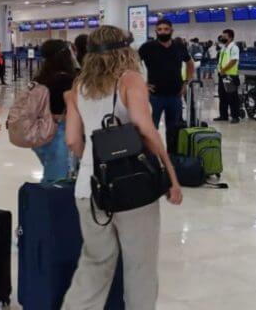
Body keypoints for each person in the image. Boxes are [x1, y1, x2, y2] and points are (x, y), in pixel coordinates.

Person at [61, 26, 182, 310]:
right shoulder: (130, 80)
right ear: (125, 50)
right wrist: (171, 177)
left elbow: (71, 140)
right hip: (133, 188)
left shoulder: (79, 85)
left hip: (89, 190)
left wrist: (95, 162)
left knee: (94, 264)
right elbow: (146, 130)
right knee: (140, 267)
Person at [138, 19, 194, 147]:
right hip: (154, 97)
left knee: (174, 131)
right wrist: (142, 84)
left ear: (171, 31)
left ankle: (172, 159)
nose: (163, 32)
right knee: (150, 131)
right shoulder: (148, 47)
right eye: (160, 29)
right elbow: (131, 65)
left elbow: (189, 63)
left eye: (166, 29)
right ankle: (151, 161)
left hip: (175, 96)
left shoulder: (179, 46)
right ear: (156, 31)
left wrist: (186, 82)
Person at [31, 39, 76, 182]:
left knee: (51, 170)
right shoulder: (68, 80)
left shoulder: (39, 79)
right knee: (56, 180)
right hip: (58, 132)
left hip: (39, 132)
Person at [215, 29, 241, 123]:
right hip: (222, 75)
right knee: (222, 96)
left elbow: (233, 61)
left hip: (230, 75)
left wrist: (223, 69)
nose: (222, 38)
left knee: (232, 97)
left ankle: (235, 116)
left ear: (230, 37)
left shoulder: (234, 47)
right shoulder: (224, 47)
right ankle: (223, 115)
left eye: (224, 36)